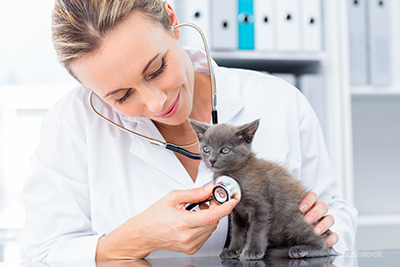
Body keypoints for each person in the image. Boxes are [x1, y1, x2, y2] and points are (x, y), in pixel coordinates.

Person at [19, 0, 357, 262]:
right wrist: (134, 239)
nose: (156, 103)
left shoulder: (279, 101)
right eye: (121, 96)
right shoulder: (72, 124)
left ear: (171, 19)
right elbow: (41, 254)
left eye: (157, 68)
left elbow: (336, 213)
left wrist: (326, 230)